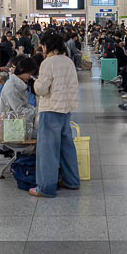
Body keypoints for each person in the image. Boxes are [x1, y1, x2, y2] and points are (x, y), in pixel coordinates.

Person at [31, 32, 80, 198]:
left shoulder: (48, 63)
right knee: (67, 146)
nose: (42, 49)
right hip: (66, 109)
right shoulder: (68, 62)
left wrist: (35, 82)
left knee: (48, 150)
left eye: (43, 45)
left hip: (51, 109)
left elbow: (41, 89)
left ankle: (46, 188)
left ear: (47, 46)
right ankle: (72, 180)